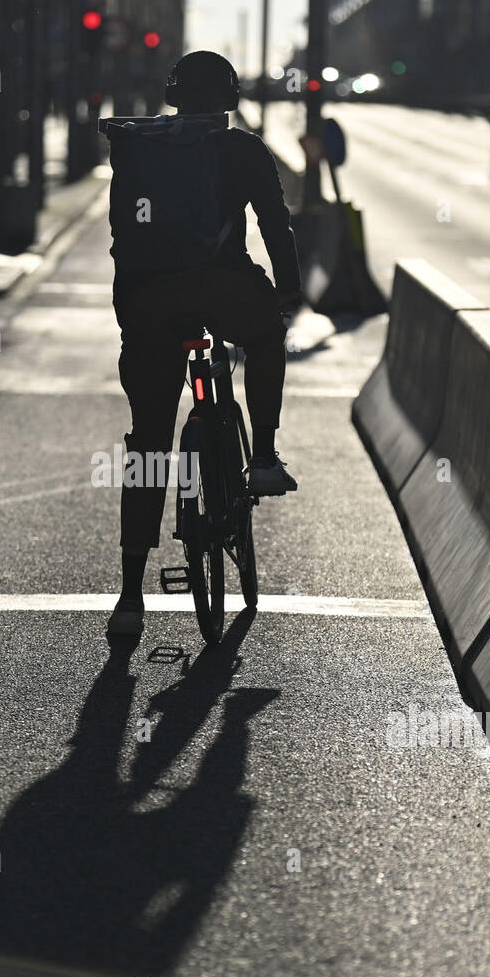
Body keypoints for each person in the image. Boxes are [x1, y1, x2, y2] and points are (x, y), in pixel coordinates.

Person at [107, 50, 305, 637]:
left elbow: (123, 230)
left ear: (173, 95)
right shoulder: (241, 149)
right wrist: (288, 292)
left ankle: (128, 598)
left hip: (149, 300)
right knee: (267, 334)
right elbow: (275, 223)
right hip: (222, 289)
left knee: (147, 443)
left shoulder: (137, 145)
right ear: (230, 97)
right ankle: (264, 455)